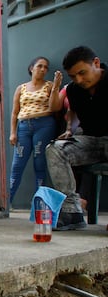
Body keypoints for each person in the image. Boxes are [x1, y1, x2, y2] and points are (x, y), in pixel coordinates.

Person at [46, 46, 108, 230]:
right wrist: (69, 130)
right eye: (73, 76)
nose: (79, 80)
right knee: (55, 149)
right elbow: (72, 112)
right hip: (91, 141)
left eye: (82, 73)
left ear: (96, 63)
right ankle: (71, 212)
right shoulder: (74, 90)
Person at [8, 56, 63, 205]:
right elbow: (14, 112)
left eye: (46, 67)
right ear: (32, 68)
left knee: (40, 165)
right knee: (17, 166)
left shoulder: (50, 85)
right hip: (24, 126)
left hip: (44, 125)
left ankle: (39, 205)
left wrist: (56, 86)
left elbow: (55, 107)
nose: (43, 69)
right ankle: (6, 203)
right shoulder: (21, 88)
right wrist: (13, 132)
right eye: (40, 66)